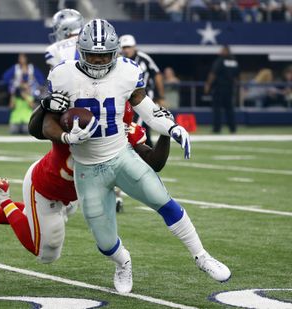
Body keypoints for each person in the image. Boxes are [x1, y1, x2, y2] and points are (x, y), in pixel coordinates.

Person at [41, 19, 231, 293]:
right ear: (81, 51)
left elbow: (148, 109)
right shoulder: (62, 74)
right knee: (105, 242)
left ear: (115, 51)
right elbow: (47, 122)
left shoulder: (128, 71)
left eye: (104, 53)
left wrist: (172, 127)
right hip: (87, 167)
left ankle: (202, 256)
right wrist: (67, 137)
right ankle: (123, 262)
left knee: (164, 202)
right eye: (92, 53)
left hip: (120, 156)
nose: (97, 59)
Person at [0, 104, 172, 266]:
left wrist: (166, 132)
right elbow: (38, 128)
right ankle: (3, 197)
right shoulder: (75, 120)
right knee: (45, 252)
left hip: (73, 194)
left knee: (39, 226)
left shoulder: (123, 132)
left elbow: (154, 162)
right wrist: (46, 105)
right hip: (45, 186)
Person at [119, 34, 165, 147]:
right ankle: (149, 150)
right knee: (135, 124)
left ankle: (139, 149)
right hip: (126, 95)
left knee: (137, 123)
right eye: (124, 47)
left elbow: (157, 74)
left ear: (134, 46)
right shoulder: (119, 60)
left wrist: (161, 96)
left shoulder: (144, 58)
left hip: (144, 94)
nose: (126, 50)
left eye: (128, 47)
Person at [204, 45, 239, 133]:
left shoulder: (220, 60)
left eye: (222, 50)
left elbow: (213, 73)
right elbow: (236, 76)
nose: (220, 51)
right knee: (229, 109)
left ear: (225, 51)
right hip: (229, 88)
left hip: (219, 88)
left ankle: (217, 128)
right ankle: (233, 128)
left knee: (217, 109)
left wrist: (208, 85)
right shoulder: (234, 61)